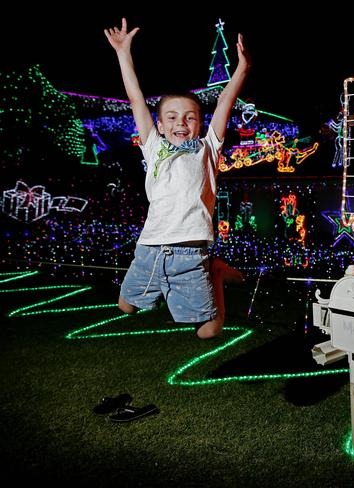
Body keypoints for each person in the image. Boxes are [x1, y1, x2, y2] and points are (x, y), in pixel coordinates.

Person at [105, 18, 250, 339]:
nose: (180, 122)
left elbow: (224, 102)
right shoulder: (154, 147)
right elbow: (135, 100)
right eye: (171, 117)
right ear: (159, 125)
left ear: (200, 123)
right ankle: (163, 292)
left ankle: (216, 271)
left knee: (208, 331)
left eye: (190, 117)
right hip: (148, 249)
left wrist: (241, 69)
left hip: (190, 253)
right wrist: (122, 52)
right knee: (125, 306)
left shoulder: (208, 148)